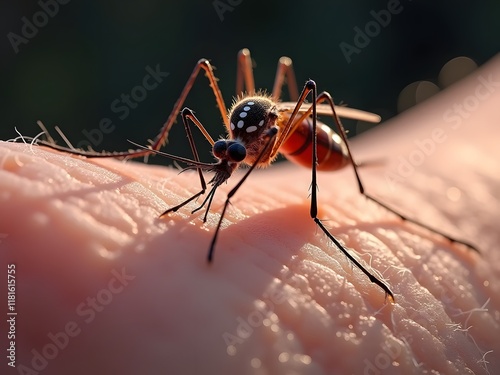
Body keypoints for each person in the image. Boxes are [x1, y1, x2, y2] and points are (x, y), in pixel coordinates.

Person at [1, 56, 499, 375]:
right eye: (226, 153)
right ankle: (148, 154)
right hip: (270, 134)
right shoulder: (235, 139)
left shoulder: (266, 133)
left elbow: (278, 123)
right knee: (209, 67)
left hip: (308, 144)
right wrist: (201, 185)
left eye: (229, 154)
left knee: (307, 91)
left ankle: (366, 196)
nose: (224, 159)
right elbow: (231, 151)